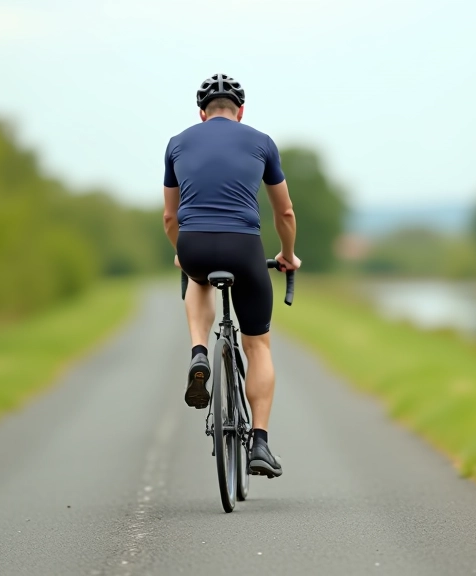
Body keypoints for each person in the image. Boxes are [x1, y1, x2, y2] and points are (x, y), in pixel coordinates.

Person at [162, 73, 300, 478]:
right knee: (257, 345)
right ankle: (259, 442)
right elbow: (285, 212)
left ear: (202, 113)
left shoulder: (177, 143)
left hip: (194, 244)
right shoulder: (261, 142)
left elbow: (171, 216)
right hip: (245, 247)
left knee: (198, 277)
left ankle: (200, 352)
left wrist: (180, 253)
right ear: (240, 112)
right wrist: (287, 255)